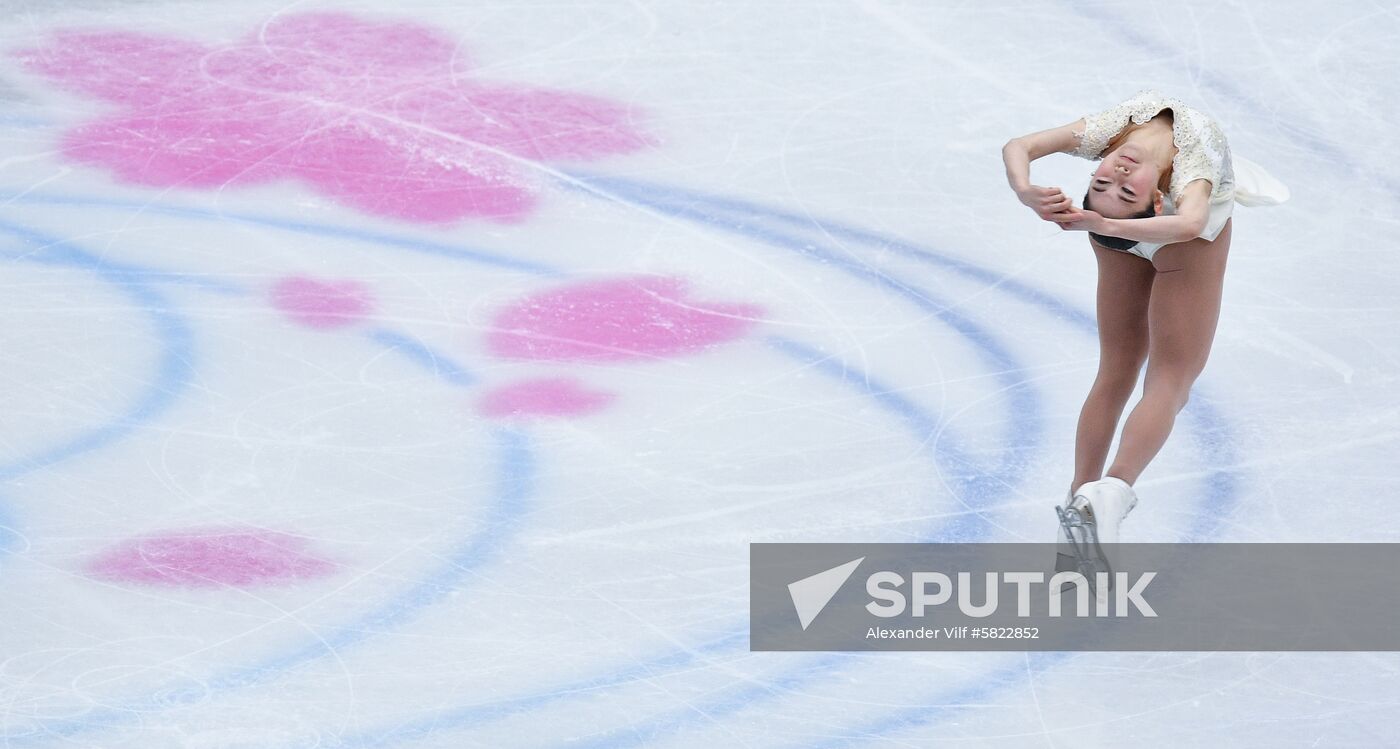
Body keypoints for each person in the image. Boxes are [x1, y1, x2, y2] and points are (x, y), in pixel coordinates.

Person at [1000, 89, 1288, 575]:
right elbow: (1191, 221)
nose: (1118, 173)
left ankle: (1089, 502)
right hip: (1148, 240)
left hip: (1146, 236)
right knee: (1163, 379)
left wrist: (1061, 202)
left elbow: (1190, 219)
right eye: (1117, 186)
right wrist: (1052, 199)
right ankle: (1102, 496)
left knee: (1138, 375)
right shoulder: (1155, 155)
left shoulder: (1135, 147)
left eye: (1114, 182)